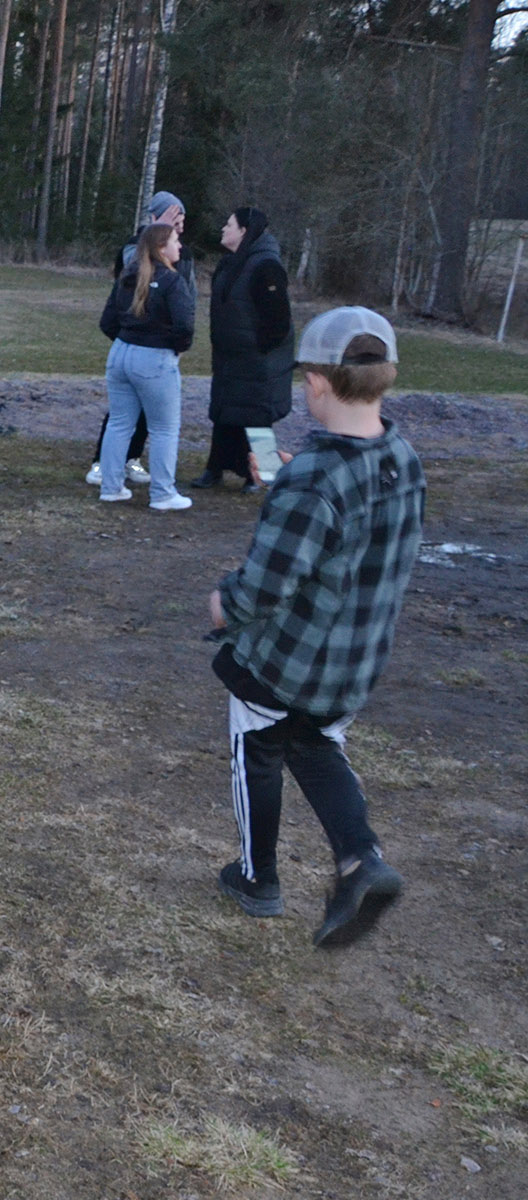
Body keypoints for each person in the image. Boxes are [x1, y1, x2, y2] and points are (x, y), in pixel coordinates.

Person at [206, 307, 422, 948]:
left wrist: (223, 604)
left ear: (319, 382)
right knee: (315, 743)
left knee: (258, 746)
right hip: (353, 662)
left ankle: (257, 878)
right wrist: (296, 474)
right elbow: (350, 513)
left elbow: (264, 587)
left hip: (286, 660)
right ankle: (361, 860)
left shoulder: (314, 479)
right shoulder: (402, 458)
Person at [85, 190, 188, 489]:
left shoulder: (180, 257)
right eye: (174, 222)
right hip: (145, 349)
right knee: (149, 423)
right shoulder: (135, 252)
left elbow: (183, 301)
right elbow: (139, 273)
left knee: (140, 416)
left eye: (181, 222)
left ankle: (126, 465)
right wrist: (135, 340)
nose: (179, 229)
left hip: (151, 348)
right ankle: (147, 486)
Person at [194, 206, 292, 492]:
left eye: (229, 225)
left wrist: (258, 350)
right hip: (229, 358)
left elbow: (279, 320)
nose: (223, 229)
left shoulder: (266, 267)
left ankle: (263, 474)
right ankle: (215, 468)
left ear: (244, 231)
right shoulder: (229, 264)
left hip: (256, 360)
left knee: (257, 416)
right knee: (224, 412)